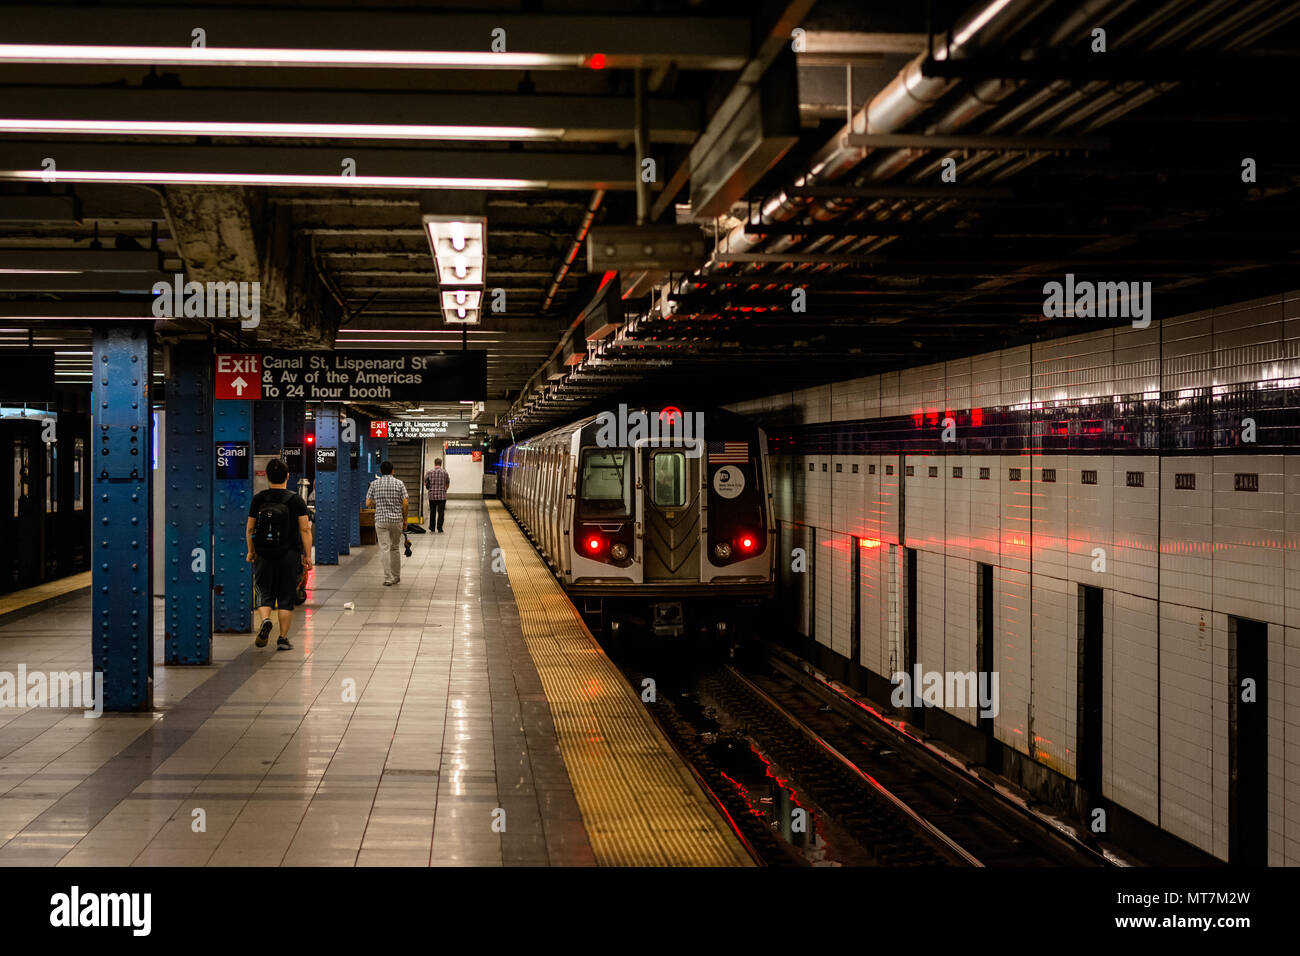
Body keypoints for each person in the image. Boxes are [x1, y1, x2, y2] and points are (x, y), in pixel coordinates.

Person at [246, 457, 312, 651]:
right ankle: (282, 638)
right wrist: (307, 556)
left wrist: (251, 551)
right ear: (288, 476)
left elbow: (250, 528)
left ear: (267, 476)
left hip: (264, 553)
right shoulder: (296, 500)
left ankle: (266, 619)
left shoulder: (259, 499)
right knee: (285, 597)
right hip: (289, 554)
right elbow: (305, 530)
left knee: (264, 592)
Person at [366, 460, 409, 585]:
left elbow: (368, 503)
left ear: (380, 471)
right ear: (392, 471)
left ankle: (388, 578)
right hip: (396, 520)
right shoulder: (399, 483)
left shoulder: (374, 484)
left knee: (385, 549)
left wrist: (378, 503)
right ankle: (396, 576)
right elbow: (405, 503)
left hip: (381, 520)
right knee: (395, 548)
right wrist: (405, 519)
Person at [423, 457, 450, 533]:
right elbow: (447, 482)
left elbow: (425, 482)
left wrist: (429, 487)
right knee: (441, 512)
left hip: (432, 495)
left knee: (432, 512)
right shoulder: (445, 472)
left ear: (434, 463)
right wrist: (445, 490)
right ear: (441, 464)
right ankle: (440, 528)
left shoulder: (429, 472)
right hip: (442, 496)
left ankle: (432, 528)